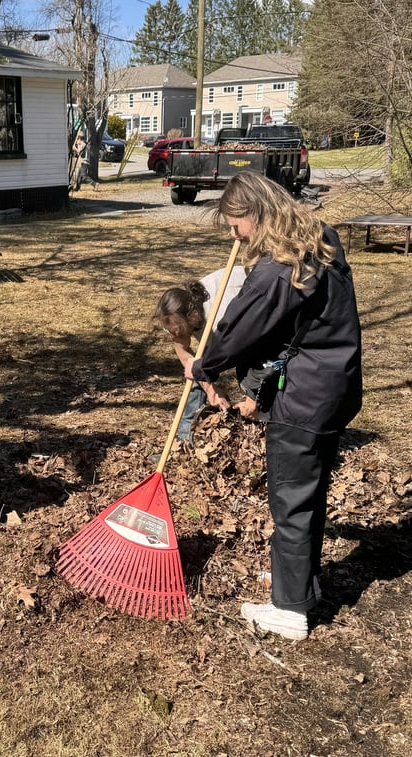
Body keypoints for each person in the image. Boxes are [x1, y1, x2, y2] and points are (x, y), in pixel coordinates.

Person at [184, 171, 362, 641]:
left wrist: (205, 366)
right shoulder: (318, 240)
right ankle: (301, 584)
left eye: (234, 223)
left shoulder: (277, 268)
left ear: (257, 215)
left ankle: (289, 611)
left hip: (304, 398)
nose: (232, 234)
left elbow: (242, 328)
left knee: (290, 499)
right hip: (335, 386)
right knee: (310, 493)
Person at [154, 265, 247, 440]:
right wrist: (210, 388)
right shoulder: (174, 318)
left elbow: (242, 351)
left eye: (179, 330)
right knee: (196, 373)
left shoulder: (220, 317)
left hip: (251, 315)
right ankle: (184, 439)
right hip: (216, 332)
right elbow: (184, 354)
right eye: (171, 331)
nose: (175, 335)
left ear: (194, 315)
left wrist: (214, 388)